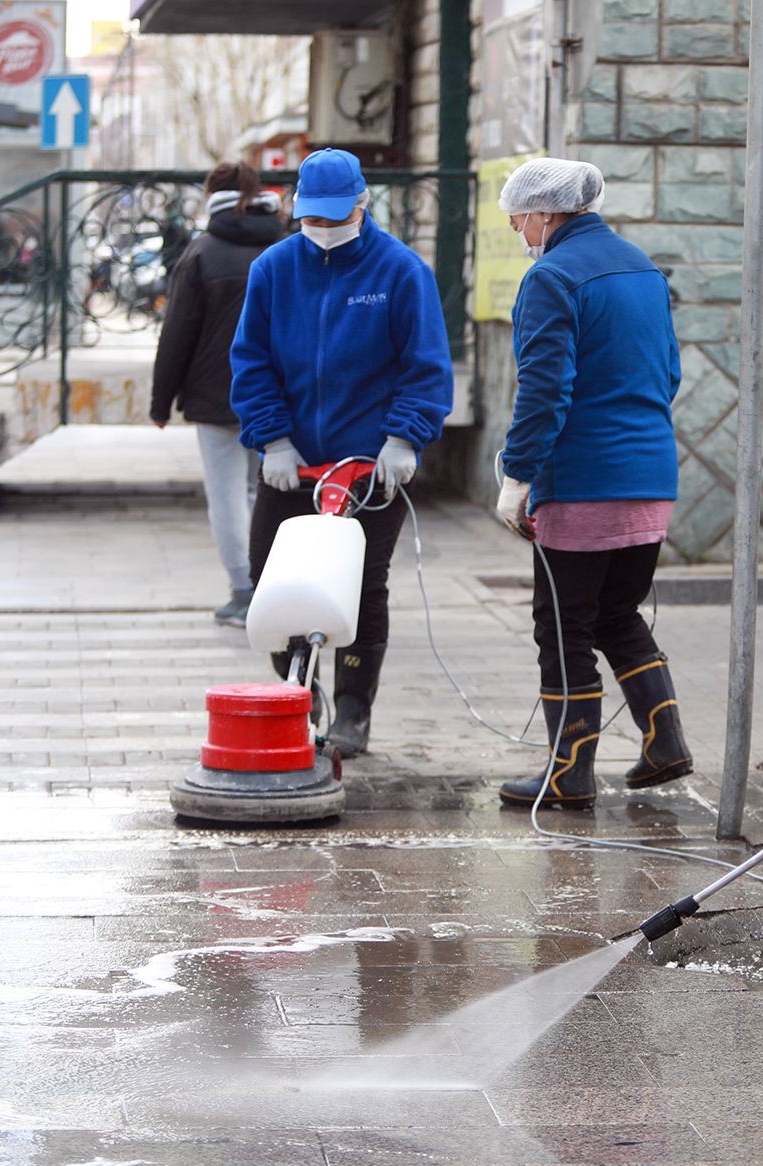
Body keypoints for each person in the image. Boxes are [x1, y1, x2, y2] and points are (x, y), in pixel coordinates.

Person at [230, 148, 452, 758]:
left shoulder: (401, 273)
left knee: (360, 587)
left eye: (335, 218)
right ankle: (297, 699)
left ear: (362, 205)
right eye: (312, 220)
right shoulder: (273, 270)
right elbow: (251, 361)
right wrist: (272, 437)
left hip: (368, 469)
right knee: (270, 578)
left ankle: (354, 711)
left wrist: (404, 437)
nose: (323, 230)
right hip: (290, 462)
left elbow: (426, 366)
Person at [491, 157, 689, 812]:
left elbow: (544, 392)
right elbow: (668, 373)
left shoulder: (552, 278)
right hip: (651, 474)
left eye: (519, 216)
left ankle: (570, 771)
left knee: (563, 623)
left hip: (583, 481)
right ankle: (664, 739)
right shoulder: (642, 268)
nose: (518, 228)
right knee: (615, 612)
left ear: (546, 212)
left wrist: (517, 474)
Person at [150, 163, 284, 627]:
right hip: (277, 394)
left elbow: (177, 334)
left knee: (227, 495)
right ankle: (273, 583)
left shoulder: (201, 253)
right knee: (264, 490)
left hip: (215, 392)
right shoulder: (287, 248)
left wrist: (160, 401)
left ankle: (245, 591)